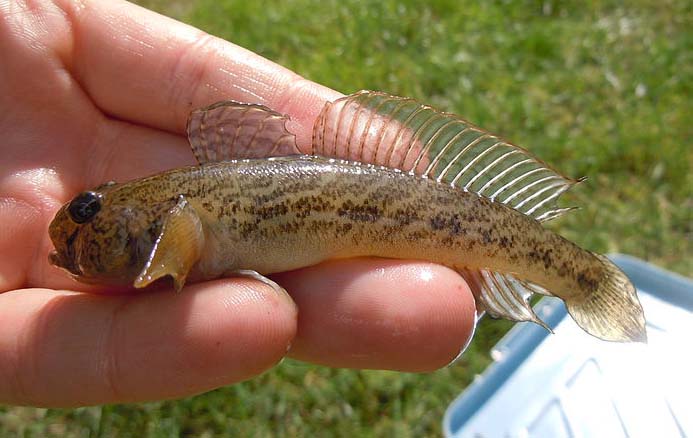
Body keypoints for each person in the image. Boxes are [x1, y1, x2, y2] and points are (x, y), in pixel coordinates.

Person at [0, 0, 475, 407]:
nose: (75, 235)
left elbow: (180, 229)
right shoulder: (169, 210)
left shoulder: (176, 213)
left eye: (88, 211)